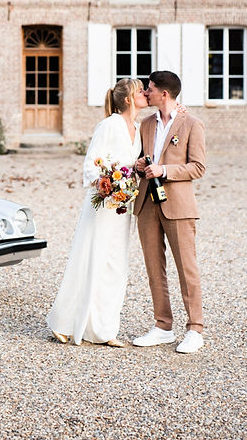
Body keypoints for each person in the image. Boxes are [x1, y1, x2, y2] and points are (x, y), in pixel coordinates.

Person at [46, 78, 147, 347]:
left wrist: (133, 174)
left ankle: (103, 329)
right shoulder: (109, 125)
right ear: (129, 99)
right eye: (140, 91)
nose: (145, 94)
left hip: (122, 206)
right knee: (90, 259)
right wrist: (109, 184)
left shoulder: (138, 128)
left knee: (115, 265)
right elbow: (91, 164)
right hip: (102, 204)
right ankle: (62, 321)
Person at [132, 70, 207, 354]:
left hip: (178, 205)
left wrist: (164, 170)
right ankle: (163, 326)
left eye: (149, 88)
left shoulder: (192, 124)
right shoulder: (145, 124)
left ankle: (195, 329)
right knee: (154, 268)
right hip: (146, 204)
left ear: (164, 94)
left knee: (187, 269)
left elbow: (198, 167)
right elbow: (140, 158)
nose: (145, 92)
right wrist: (140, 165)